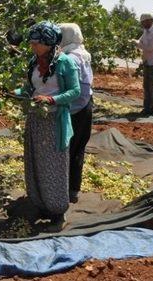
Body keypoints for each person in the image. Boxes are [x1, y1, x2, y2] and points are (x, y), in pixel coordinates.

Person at [14, 21, 80, 231]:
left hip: (54, 122)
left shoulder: (65, 63)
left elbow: (75, 91)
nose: (32, 47)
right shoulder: (34, 62)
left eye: (36, 43)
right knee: (36, 163)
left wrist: (52, 100)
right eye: (32, 43)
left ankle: (58, 213)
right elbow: (28, 88)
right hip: (35, 120)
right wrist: (10, 92)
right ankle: (42, 204)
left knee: (54, 166)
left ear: (48, 43)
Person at [59, 23, 93, 204]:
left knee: (68, 148)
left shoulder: (70, 57)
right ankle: (73, 189)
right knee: (78, 149)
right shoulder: (83, 53)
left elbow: (76, 90)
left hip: (75, 108)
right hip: (86, 105)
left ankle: (65, 189)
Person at [132, 13, 153, 116]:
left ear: (150, 20)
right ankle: (147, 108)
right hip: (147, 63)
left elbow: (150, 48)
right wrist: (134, 42)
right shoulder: (146, 31)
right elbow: (141, 41)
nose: (142, 24)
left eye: (143, 22)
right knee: (146, 86)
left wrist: (137, 44)